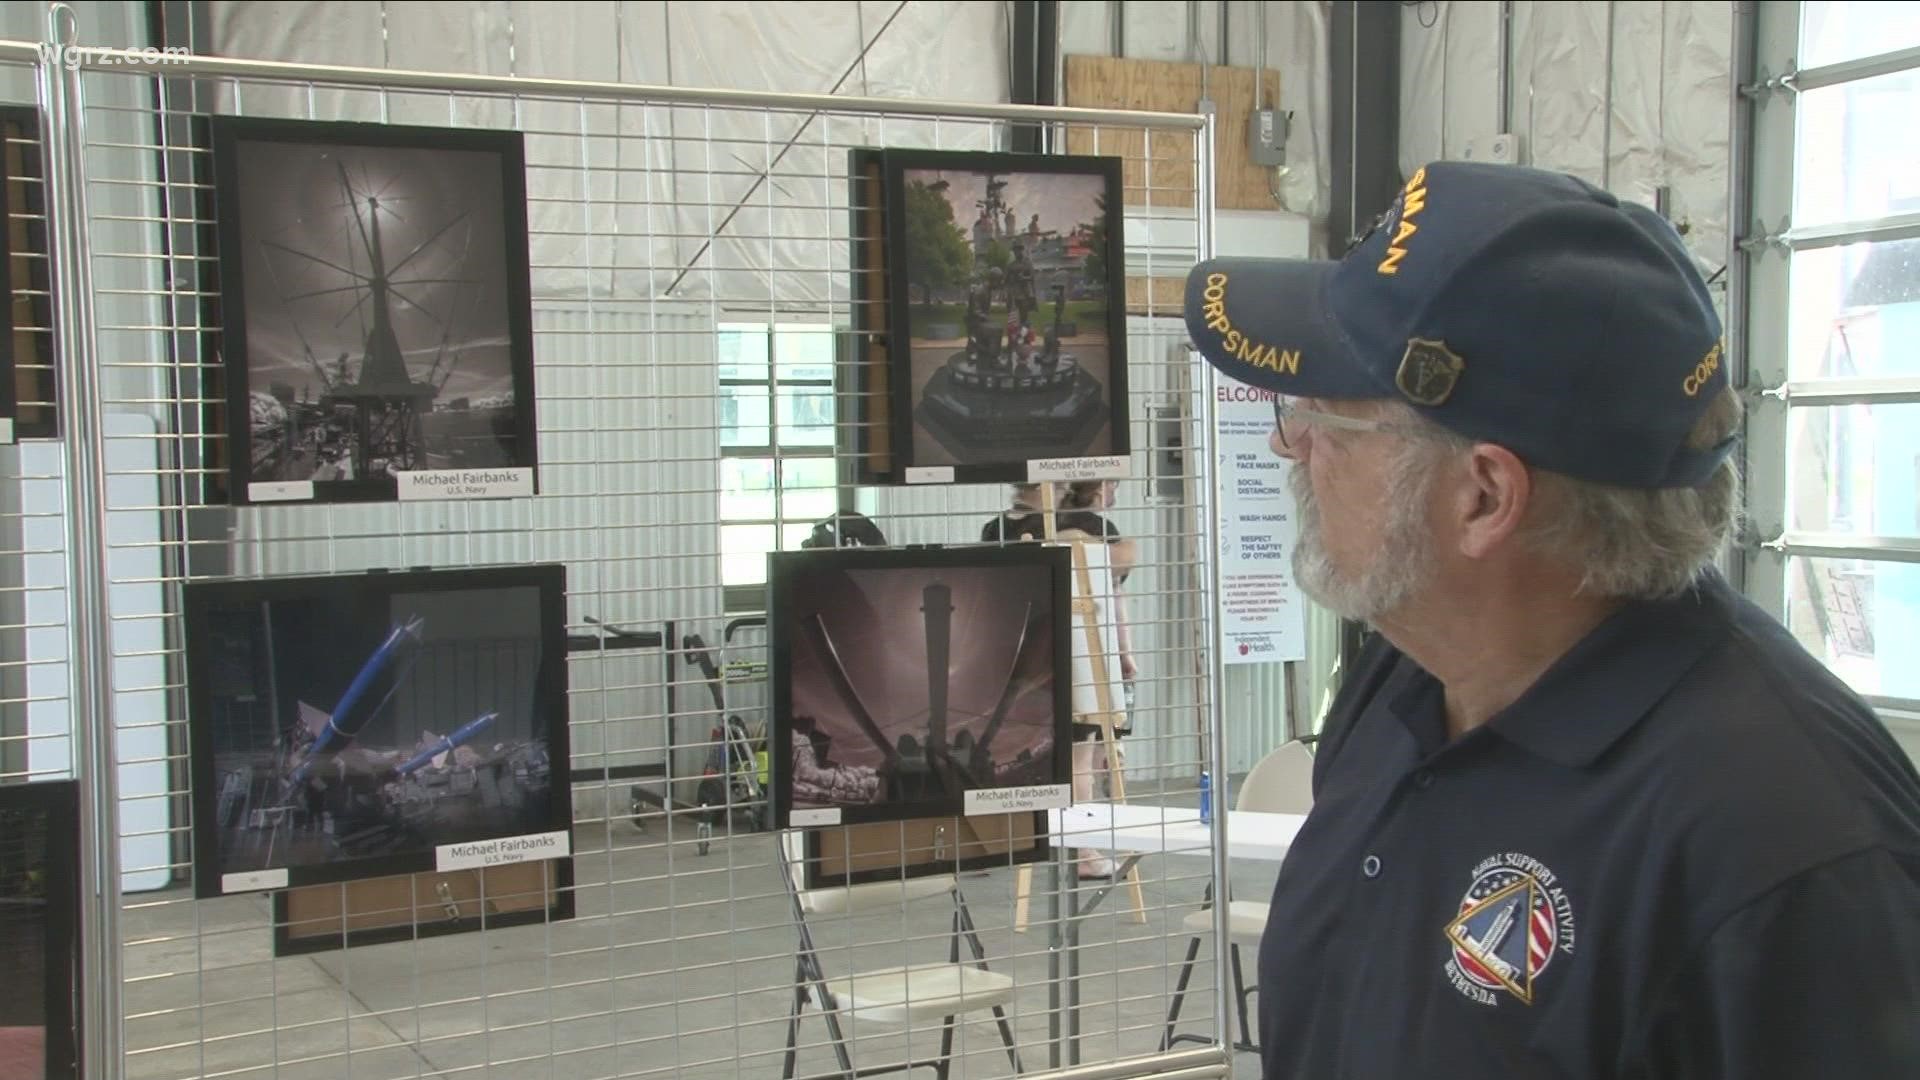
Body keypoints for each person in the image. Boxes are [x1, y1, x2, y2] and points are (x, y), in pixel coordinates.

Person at [1183, 160, 1920, 1078]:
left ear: (1484, 496)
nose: (1289, 443)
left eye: (1327, 414)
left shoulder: (1783, 857)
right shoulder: (1407, 683)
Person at [982, 480, 1138, 878]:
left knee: (1057, 757)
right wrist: (1124, 652)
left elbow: (1115, 587)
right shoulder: (1089, 527)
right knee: (1072, 760)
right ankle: (1082, 852)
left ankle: (1064, 846)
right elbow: (1116, 588)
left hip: (1044, 661)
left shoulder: (1002, 530)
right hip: (1065, 662)